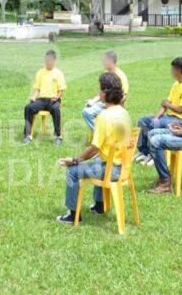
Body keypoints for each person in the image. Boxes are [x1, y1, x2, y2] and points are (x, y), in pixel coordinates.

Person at [56, 72, 131, 223]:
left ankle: (72, 215)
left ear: (104, 93)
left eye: (100, 90)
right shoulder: (124, 113)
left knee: (72, 171)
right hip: (123, 168)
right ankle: (99, 205)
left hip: (111, 170)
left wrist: (75, 160)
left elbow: (94, 148)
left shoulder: (103, 117)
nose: (98, 93)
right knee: (99, 161)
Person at [135, 57, 182, 165]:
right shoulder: (175, 84)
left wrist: (167, 104)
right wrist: (157, 117)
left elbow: (180, 110)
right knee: (142, 121)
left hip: (178, 120)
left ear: (179, 70)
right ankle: (144, 152)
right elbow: (165, 103)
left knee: (153, 125)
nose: (171, 72)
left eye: (173, 70)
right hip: (167, 116)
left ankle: (154, 155)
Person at [22, 49, 67, 145]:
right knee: (28, 108)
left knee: (56, 109)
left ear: (54, 61)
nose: (47, 63)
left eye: (49, 61)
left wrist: (56, 97)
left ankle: (58, 136)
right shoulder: (40, 72)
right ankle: (28, 135)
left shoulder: (58, 73)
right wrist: (33, 97)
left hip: (53, 99)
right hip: (41, 100)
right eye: (46, 60)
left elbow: (61, 90)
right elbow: (37, 89)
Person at [82, 51, 129, 131]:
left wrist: (111, 105)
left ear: (110, 61)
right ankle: (99, 132)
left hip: (115, 105)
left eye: (104, 60)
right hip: (104, 103)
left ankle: (103, 134)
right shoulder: (106, 73)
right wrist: (93, 101)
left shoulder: (121, 76)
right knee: (86, 111)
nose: (102, 62)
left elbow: (124, 96)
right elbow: (101, 93)